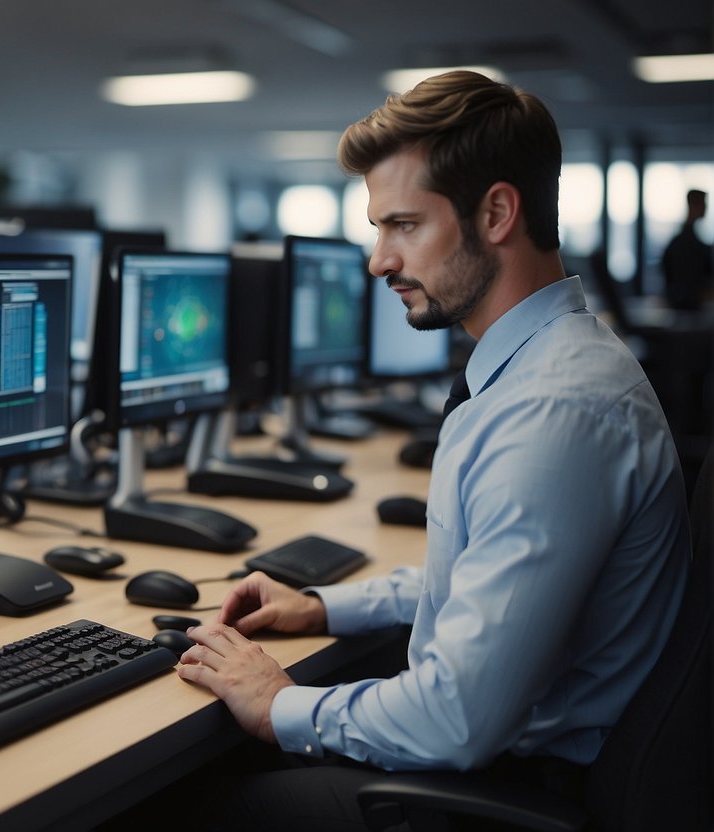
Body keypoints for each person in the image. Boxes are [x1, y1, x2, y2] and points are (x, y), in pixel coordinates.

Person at [135, 71, 693, 829]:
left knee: (167, 804)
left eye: (402, 226)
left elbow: (453, 722)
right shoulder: (543, 367)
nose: (378, 261)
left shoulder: (554, 412)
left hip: (512, 782)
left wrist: (280, 704)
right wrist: (323, 605)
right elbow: (479, 574)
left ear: (495, 212)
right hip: (511, 757)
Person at [662, 188, 713, 312]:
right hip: (688, 307)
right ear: (694, 206)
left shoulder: (682, 240)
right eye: (703, 204)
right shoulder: (687, 243)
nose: (706, 208)